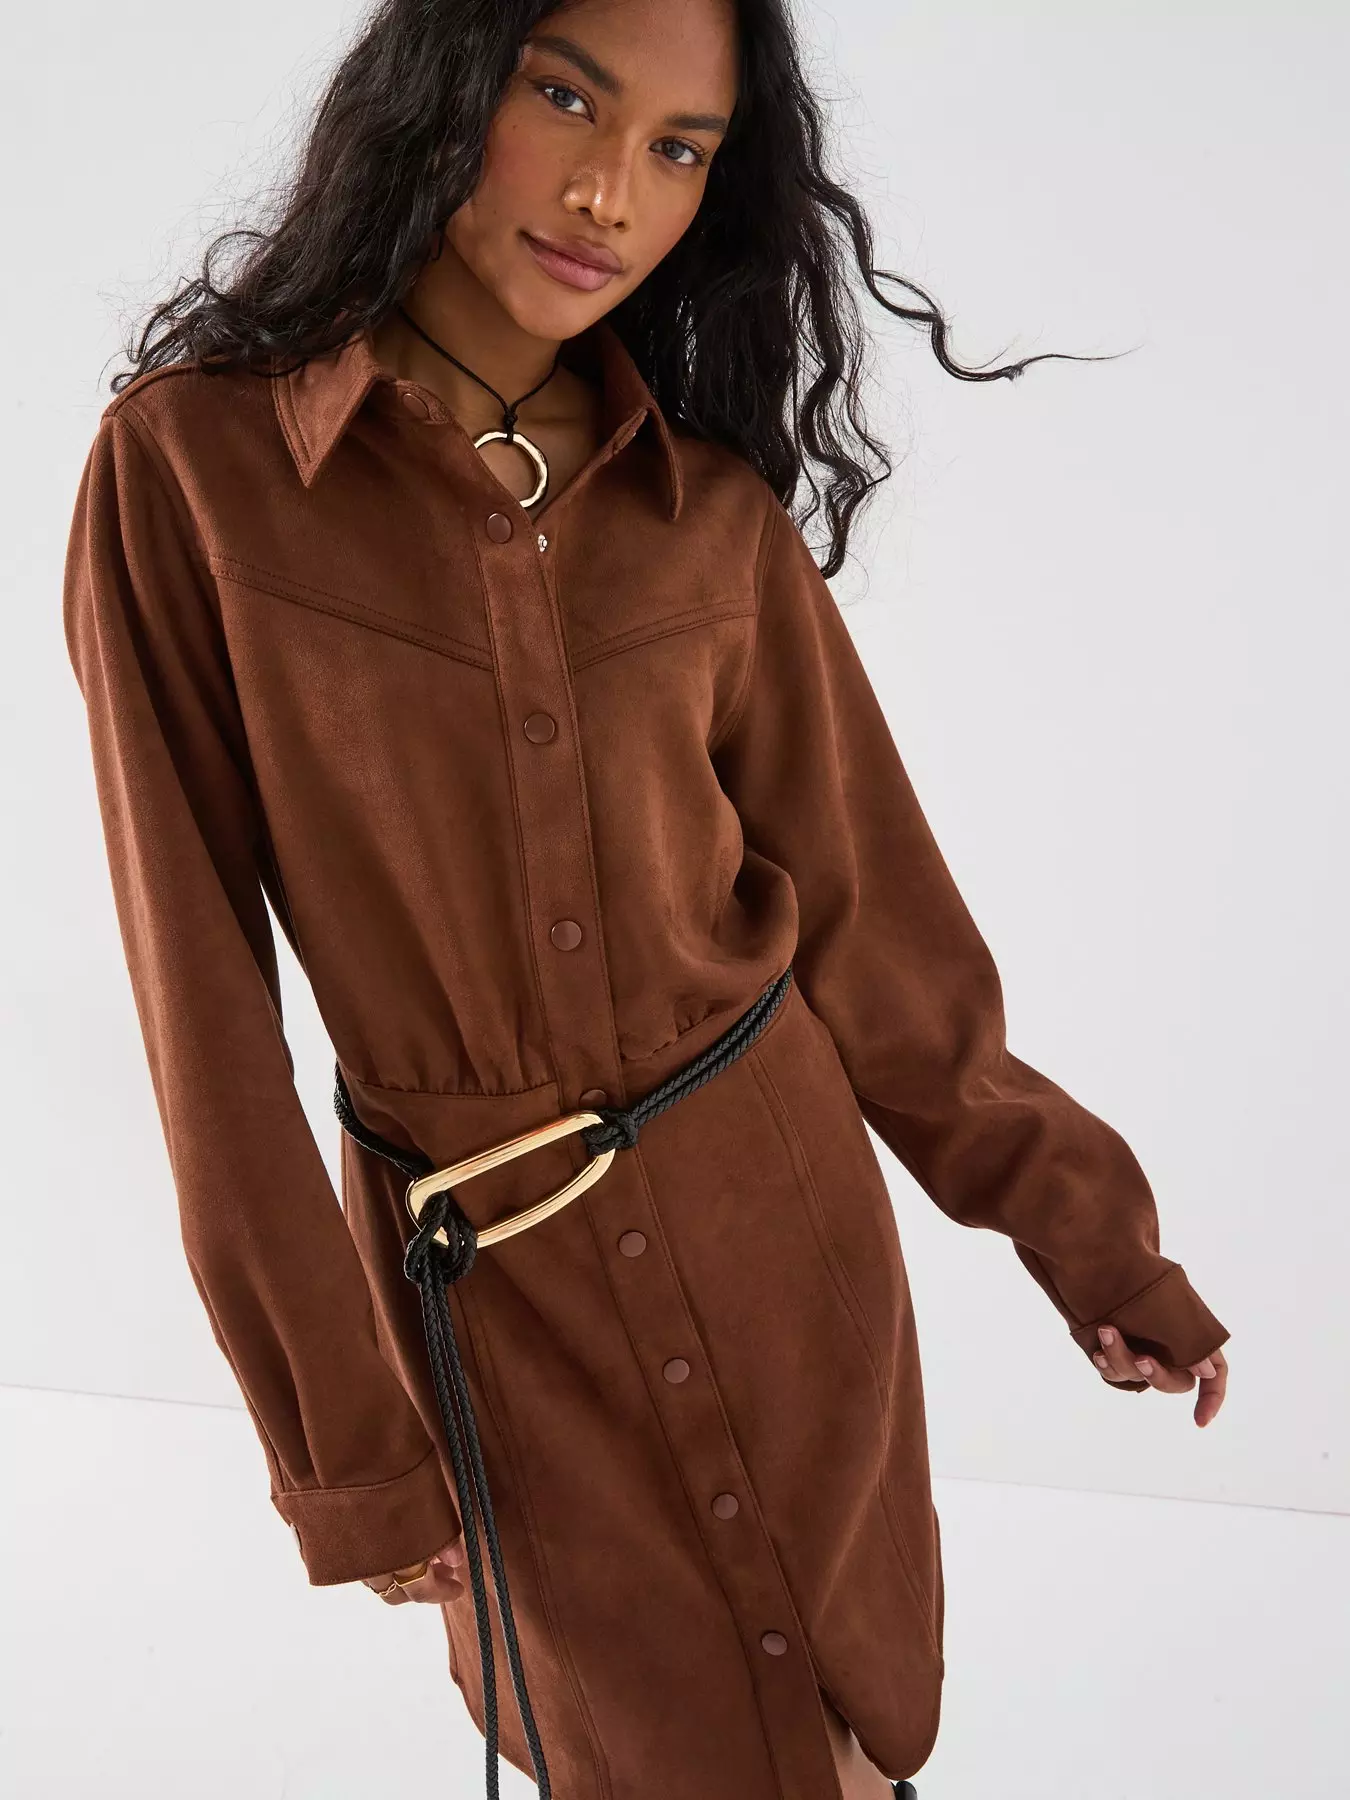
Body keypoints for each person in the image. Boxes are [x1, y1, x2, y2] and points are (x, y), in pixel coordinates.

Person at [60, 1, 1230, 1796]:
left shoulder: (709, 514)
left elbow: (878, 934)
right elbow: (199, 1009)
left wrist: (1089, 1239)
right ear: (443, 88)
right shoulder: (193, 473)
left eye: (680, 148)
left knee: (849, 1741)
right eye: (565, 96)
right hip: (488, 1290)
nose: (612, 192)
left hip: (781, 1233)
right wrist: (343, 1442)